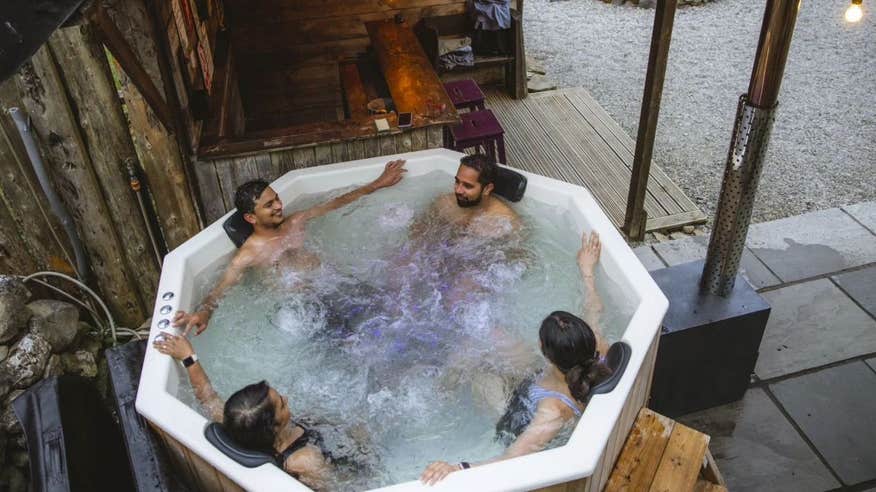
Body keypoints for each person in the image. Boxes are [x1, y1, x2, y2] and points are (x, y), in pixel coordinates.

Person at [420, 232, 611, 485]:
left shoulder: (553, 411)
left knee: (481, 378)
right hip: (539, 381)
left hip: (515, 420)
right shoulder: (595, 347)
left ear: (543, 349)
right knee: (488, 338)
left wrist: (457, 468)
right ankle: (439, 391)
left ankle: (433, 402)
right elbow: (594, 308)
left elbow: (513, 457)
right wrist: (587, 269)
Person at [174, 160, 407, 335]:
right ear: (251, 218)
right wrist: (204, 313)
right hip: (308, 307)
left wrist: (378, 183)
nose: (279, 205)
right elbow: (218, 292)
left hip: (335, 283)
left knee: (394, 308)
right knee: (360, 340)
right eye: (269, 205)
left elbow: (338, 202)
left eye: (276, 198)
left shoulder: (296, 221)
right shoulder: (248, 255)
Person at [153, 333, 370, 490]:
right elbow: (341, 486)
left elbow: (207, 397)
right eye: (282, 405)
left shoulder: (238, 423)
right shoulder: (303, 460)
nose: (286, 398)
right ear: (275, 426)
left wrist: (189, 357)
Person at [413, 153, 520, 240]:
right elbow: (418, 231)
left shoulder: (506, 222)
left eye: (467, 186)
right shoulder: (444, 203)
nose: (458, 190)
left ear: (487, 189)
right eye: (457, 182)